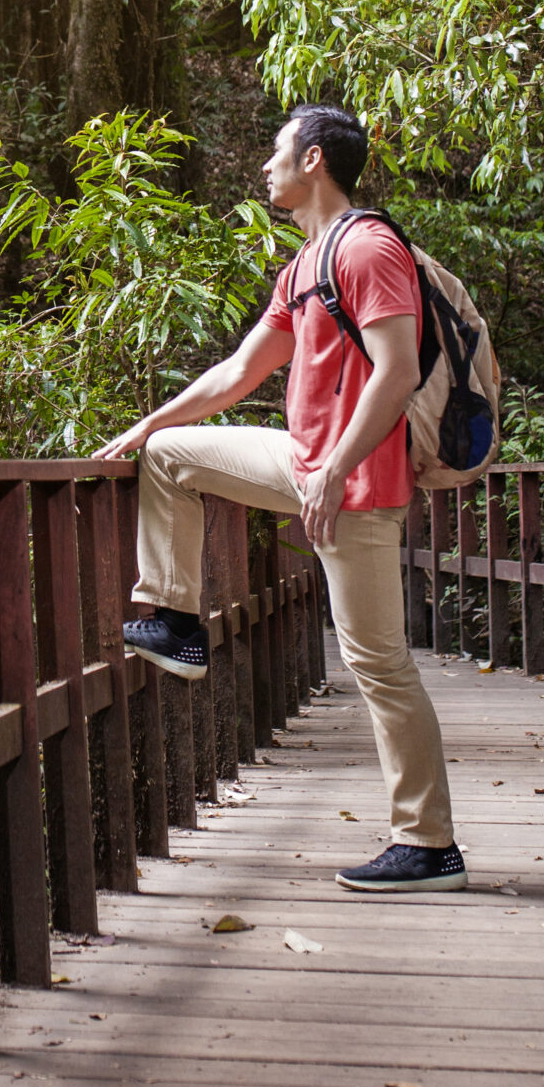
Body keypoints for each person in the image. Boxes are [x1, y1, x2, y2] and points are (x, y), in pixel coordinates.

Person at [95, 103, 465, 895]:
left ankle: (428, 844)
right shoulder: (303, 267)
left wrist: (335, 469)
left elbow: (396, 372)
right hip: (305, 466)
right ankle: (173, 619)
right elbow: (237, 374)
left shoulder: (367, 248)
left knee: (379, 664)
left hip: (357, 487)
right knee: (169, 456)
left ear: (314, 161)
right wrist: (147, 422)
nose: (264, 165)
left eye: (276, 151)